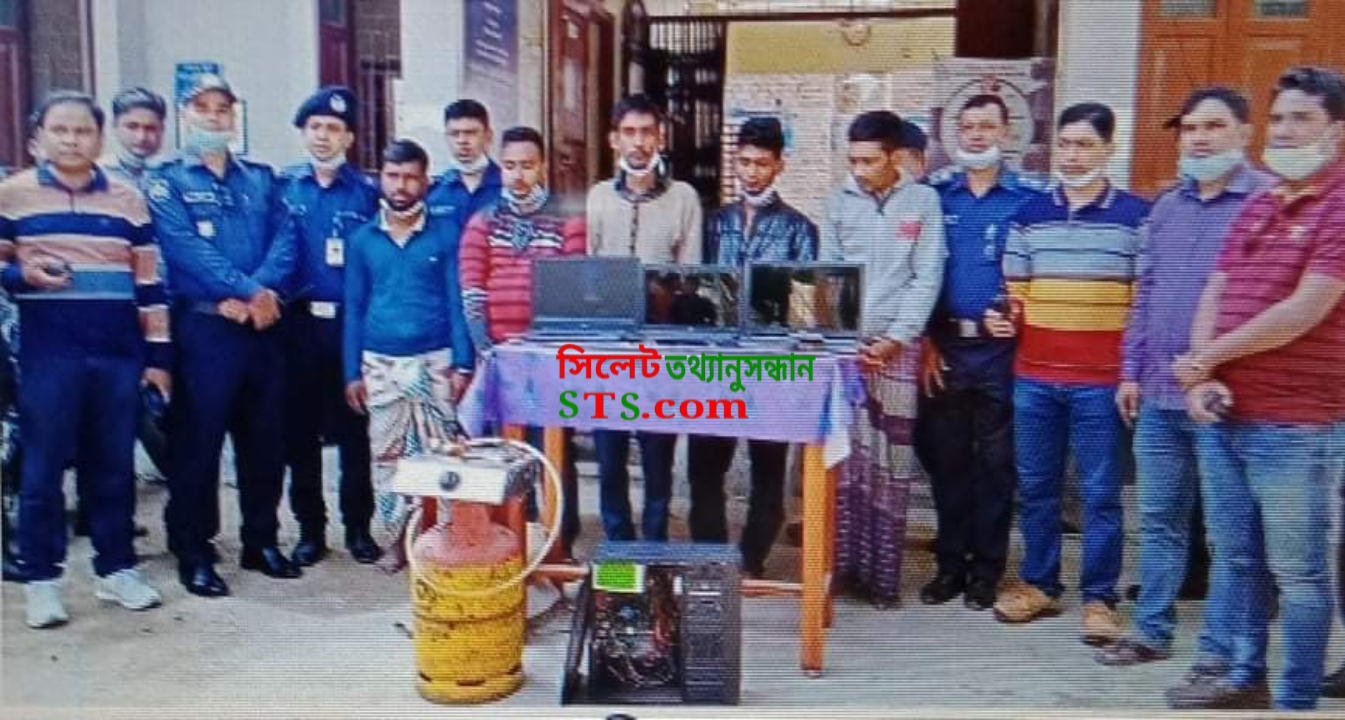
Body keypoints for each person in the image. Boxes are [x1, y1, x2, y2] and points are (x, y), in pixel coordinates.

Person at [1170, 66, 1345, 712]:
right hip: (1226, 414)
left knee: (1298, 573)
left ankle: (1295, 699)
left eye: (1302, 118)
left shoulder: (1339, 206)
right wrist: (1203, 376)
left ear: (1336, 132)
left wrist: (1205, 359)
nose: (1286, 130)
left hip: (1295, 425)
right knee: (1237, 559)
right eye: (1278, 118)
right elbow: (1216, 290)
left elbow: (1305, 309)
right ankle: (1244, 677)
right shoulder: (1259, 202)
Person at [1095, 88, 1275, 673]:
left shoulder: (1268, 202)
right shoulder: (1167, 207)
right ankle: (1150, 632)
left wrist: (1218, 364)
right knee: (1158, 522)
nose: (1198, 138)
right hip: (1158, 397)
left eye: (1213, 127)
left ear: (1244, 133)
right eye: (1190, 128)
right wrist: (1131, 371)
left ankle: (1223, 652)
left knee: (1230, 533)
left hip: (1227, 397)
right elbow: (1145, 294)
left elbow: (1273, 303)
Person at [2, 91, 171, 627]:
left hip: (117, 352)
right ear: (39, 137)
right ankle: (43, 581)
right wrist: (21, 275)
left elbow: (150, 284)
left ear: (99, 139)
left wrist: (158, 358)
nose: (72, 140)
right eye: (61, 130)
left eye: (83, 131)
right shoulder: (14, 195)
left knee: (113, 467)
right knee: (43, 470)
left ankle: (116, 569)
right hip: (49, 354)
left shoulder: (126, 198)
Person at [987, 103, 1150, 644]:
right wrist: (1001, 319)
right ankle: (1040, 584)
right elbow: (1016, 296)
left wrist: (1132, 373)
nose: (1073, 155)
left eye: (1085, 144)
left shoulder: (1136, 218)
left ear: (1109, 149)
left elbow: (1143, 305)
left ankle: (1100, 597)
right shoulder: (1029, 216)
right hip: (1034, 379)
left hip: (1102, 383)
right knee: (1036, 489)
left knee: (1101, 493)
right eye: (1066, 144)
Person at [148, 74, 298, 597]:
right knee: (198, 444)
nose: (213, 117)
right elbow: (185, 248)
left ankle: (262, 540)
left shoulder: (261, 178)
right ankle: (194, 550)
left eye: (222, 108)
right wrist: (247, 290)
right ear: (184, 115)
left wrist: (262, 295)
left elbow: (286, 239)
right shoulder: (167, 182)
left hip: (263, 327)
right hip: (205, 329)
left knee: (265, 440)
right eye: (202, 108)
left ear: (235, 116)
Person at [916, 95, 1041, 611]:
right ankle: (949, 566)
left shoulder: (1029, 199)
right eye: (966, 126)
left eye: (986, 126)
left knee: (996, 466)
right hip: (945, 347)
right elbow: (919, 272)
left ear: (1006, 133)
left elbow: (1040, 274)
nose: (975, 135)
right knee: (948, 464)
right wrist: (925, 338)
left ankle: (987, 570)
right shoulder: (935, 196)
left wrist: (1017, 315)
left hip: (1002, 353)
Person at [823, 110, 946, 607]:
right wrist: (844, 337)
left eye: (869, 161)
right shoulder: (838, 202)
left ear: (895, 157)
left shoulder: (923, 202)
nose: (858, 170)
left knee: (892, 462)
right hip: (846, 350)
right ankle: (843, 569)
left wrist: (898, 337)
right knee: (846, 459)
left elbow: (926, 275)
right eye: (852, 160)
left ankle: (882, 580)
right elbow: (827, 274)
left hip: (898, 348)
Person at [687, 117, 817, 578]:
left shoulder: (800, 229)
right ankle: (709, 559)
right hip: (715, 364)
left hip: (770, 365)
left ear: (779, 165)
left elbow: (804, 308)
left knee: (768, 469)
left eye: (761, 163)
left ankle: (751, 559)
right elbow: (697, 291)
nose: (751, 172)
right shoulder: (714, 224)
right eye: (744, 162)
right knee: (704, 467)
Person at [344, 139, 474, 572]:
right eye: (393, 176)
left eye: (411, 177)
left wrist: (463, 362)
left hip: (436, 361)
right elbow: (354, 307)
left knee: (445, 452)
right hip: (380, 364)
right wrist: (351, 372)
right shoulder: (363, 239)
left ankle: (445, 539)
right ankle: (398, 540)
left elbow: (458, 301)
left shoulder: (446, 233)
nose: (401, 186)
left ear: (426, 182)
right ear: (380, 178)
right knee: (388, 457)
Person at [458, 125, 585, 554]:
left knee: (556, 454)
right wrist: (489, 352)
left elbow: (573, 290)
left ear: (543, 166)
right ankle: (515, 544)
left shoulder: (568, 219)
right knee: (510, 455)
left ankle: (560, 544)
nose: (518, 175)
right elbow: (473, 293)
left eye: (527, 165)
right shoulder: (482, 222)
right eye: (510, 165)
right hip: (502, 359)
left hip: (550, 360)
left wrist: (551, 352)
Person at [585, 95, 701, 542]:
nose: (638, 143)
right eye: (629, 133)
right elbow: (587, 271)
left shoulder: (683, 198)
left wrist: (664, 300)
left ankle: (654, 550)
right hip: (606, 349)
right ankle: (618, 548)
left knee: (658, 458)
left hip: (661, 345)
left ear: (660, 138)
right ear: (614, 140)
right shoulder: (598, 198)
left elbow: (691, 275)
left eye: (646, 132)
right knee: (609, 457)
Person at [278, 86, 381, 566]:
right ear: (304, 132)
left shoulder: (367, 194)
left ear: (349, 138)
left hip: (347, 326)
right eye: (315, 127)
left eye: (333, 128)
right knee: (299, 433)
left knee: (354, 433)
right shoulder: (283, 188)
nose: (323, 136)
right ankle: (310, 530)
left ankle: (358, 527)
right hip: (297, 326)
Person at [426, 99, 502, 231]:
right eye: (455, 134)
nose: (462, 141)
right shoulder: (433, 191)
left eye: (471, 133)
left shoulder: (508, 187)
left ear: (488, 136)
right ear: (446, 137)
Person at [106, 87, 166, 192]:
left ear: (162, 129)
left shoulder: (175, 174)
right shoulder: (96, 175)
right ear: (115, 126)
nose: (141, 137)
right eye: (132, 127)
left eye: (150, 128)